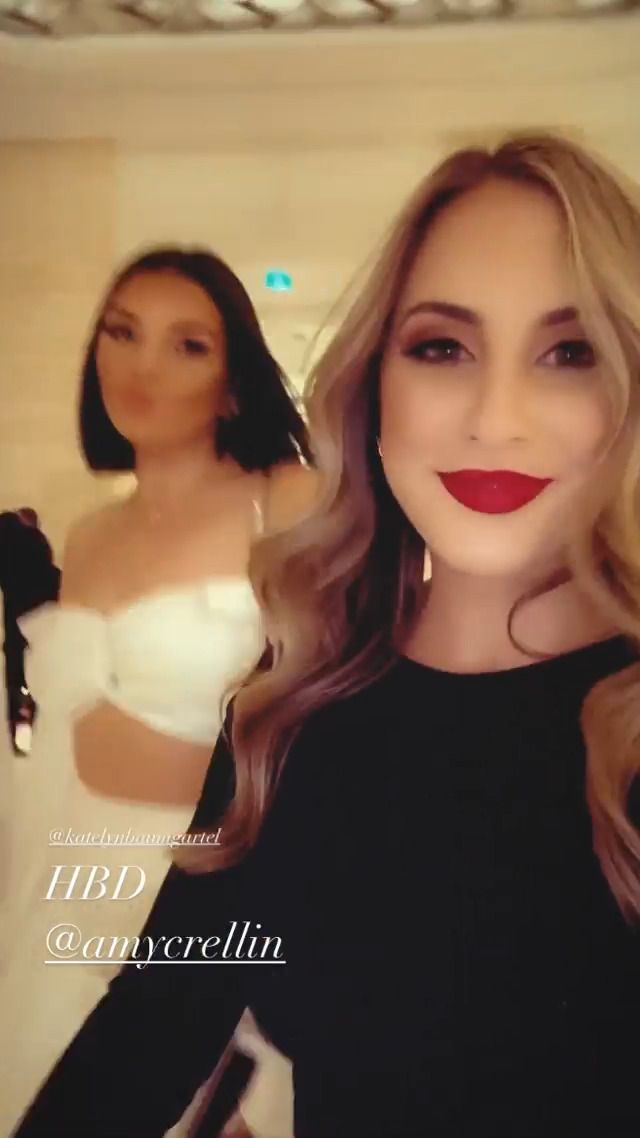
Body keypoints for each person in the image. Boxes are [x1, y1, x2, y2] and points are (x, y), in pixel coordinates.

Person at [13, 131, 640, 1138]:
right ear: (374, 385)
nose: (497, 417)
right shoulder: (293, 715)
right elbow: (151, 1024)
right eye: (442, 347)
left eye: (569, 353)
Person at [2, 247, 315, 1138]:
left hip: (208, 888)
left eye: (188, 345)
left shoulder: (286, 500)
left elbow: (319, 725)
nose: (141, 366)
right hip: (75, 880)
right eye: (122, 332)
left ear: (234, 384)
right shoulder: (88, 531)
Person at [0, 510, 60, 753]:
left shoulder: (10, 548)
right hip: (46, 634)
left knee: (19, 686)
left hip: (20, 636)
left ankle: (23, 742)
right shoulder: (40, 554)